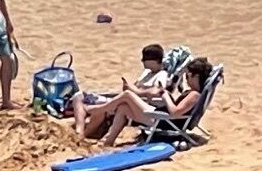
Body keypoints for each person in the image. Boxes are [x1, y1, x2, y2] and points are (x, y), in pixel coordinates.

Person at [74, 56, 210, 142]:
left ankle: (98, 109)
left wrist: (165, 96)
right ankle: (108, 141)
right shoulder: (192, 93)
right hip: (161, 116)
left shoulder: (194, 95)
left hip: (163, 120)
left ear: (197, 76)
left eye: (189, 75)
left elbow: (175, 112)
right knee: (123, 108)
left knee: (128, 95)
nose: (186, 78)